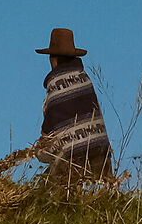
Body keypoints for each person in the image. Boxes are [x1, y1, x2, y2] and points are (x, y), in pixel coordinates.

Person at [31, 27, 110, 181]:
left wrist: (37, 150)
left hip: (73, 157)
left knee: (45, 190)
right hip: (101, 151)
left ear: (53, 59)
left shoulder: (55, 83)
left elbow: (48, 132)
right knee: (103, 191)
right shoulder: (84, 78)